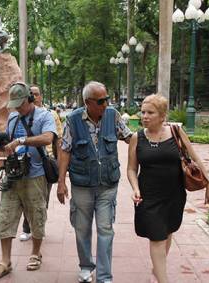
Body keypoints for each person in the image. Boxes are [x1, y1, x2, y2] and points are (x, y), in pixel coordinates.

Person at [126, 94, 209, 283]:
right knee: (156, 237)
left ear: (162, 115)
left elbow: (196, 159)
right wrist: (135, 188)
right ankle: (162, 279)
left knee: (167, 232)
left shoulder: (176, 132)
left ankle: (157, 271)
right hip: (148, 195)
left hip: (174, 195)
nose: (145, 116)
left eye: (150, 112)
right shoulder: (137, 137)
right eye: (143, 112)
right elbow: (132, 169)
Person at [57, 81, 132, 283]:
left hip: (108, 184)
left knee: (105, 228)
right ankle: (86, 266)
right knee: (82, 228)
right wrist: (61, 181)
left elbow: (130, 138)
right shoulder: (73, 120)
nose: (106, 104)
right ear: (88, 102)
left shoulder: (113, 115)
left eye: (107, 99)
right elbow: (64, 149)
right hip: (82, 185)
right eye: (101, 101)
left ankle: (104, 276)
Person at [0, 82, 57, 280]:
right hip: (13, 174)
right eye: (15, 104)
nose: (18, 108)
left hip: (35, 175)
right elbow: (9, 139)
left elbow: (47, 138)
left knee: (36, 215)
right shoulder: (12, 117)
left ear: (30, 98)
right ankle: (5, 261)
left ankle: (35, 253)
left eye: (21, 103)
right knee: (5, 215)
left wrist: (21, 141)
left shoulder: (44, 116)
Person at [18, 85, 63, 241]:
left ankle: (37, 227)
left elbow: (58, 140)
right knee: (24, 198)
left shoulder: (51, 115)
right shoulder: (19, 116)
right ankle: (27, 227)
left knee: (43, 198)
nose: (35, 97)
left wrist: (59, 163)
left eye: (37, 94)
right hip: (25, 161)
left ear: (41, 96)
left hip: (46, 162)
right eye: (32, 94)